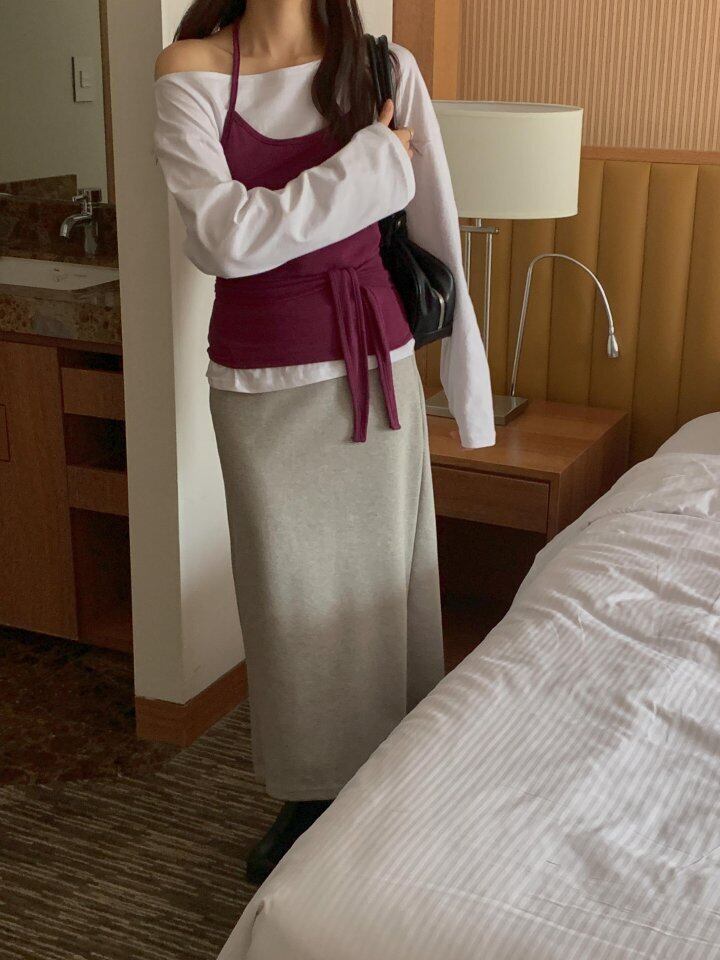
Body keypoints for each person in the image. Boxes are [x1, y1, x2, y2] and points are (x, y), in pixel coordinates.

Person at [153, 0, 495, 885]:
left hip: (377, 371)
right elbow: (223, 239)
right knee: (286, 608)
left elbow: (437, 233)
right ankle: (309, 794)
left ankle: (393, 782)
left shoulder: (385, 68)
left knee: (384, 595)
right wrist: (371, 165)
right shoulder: (189, 71)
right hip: (259, 387)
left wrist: (471, 398)